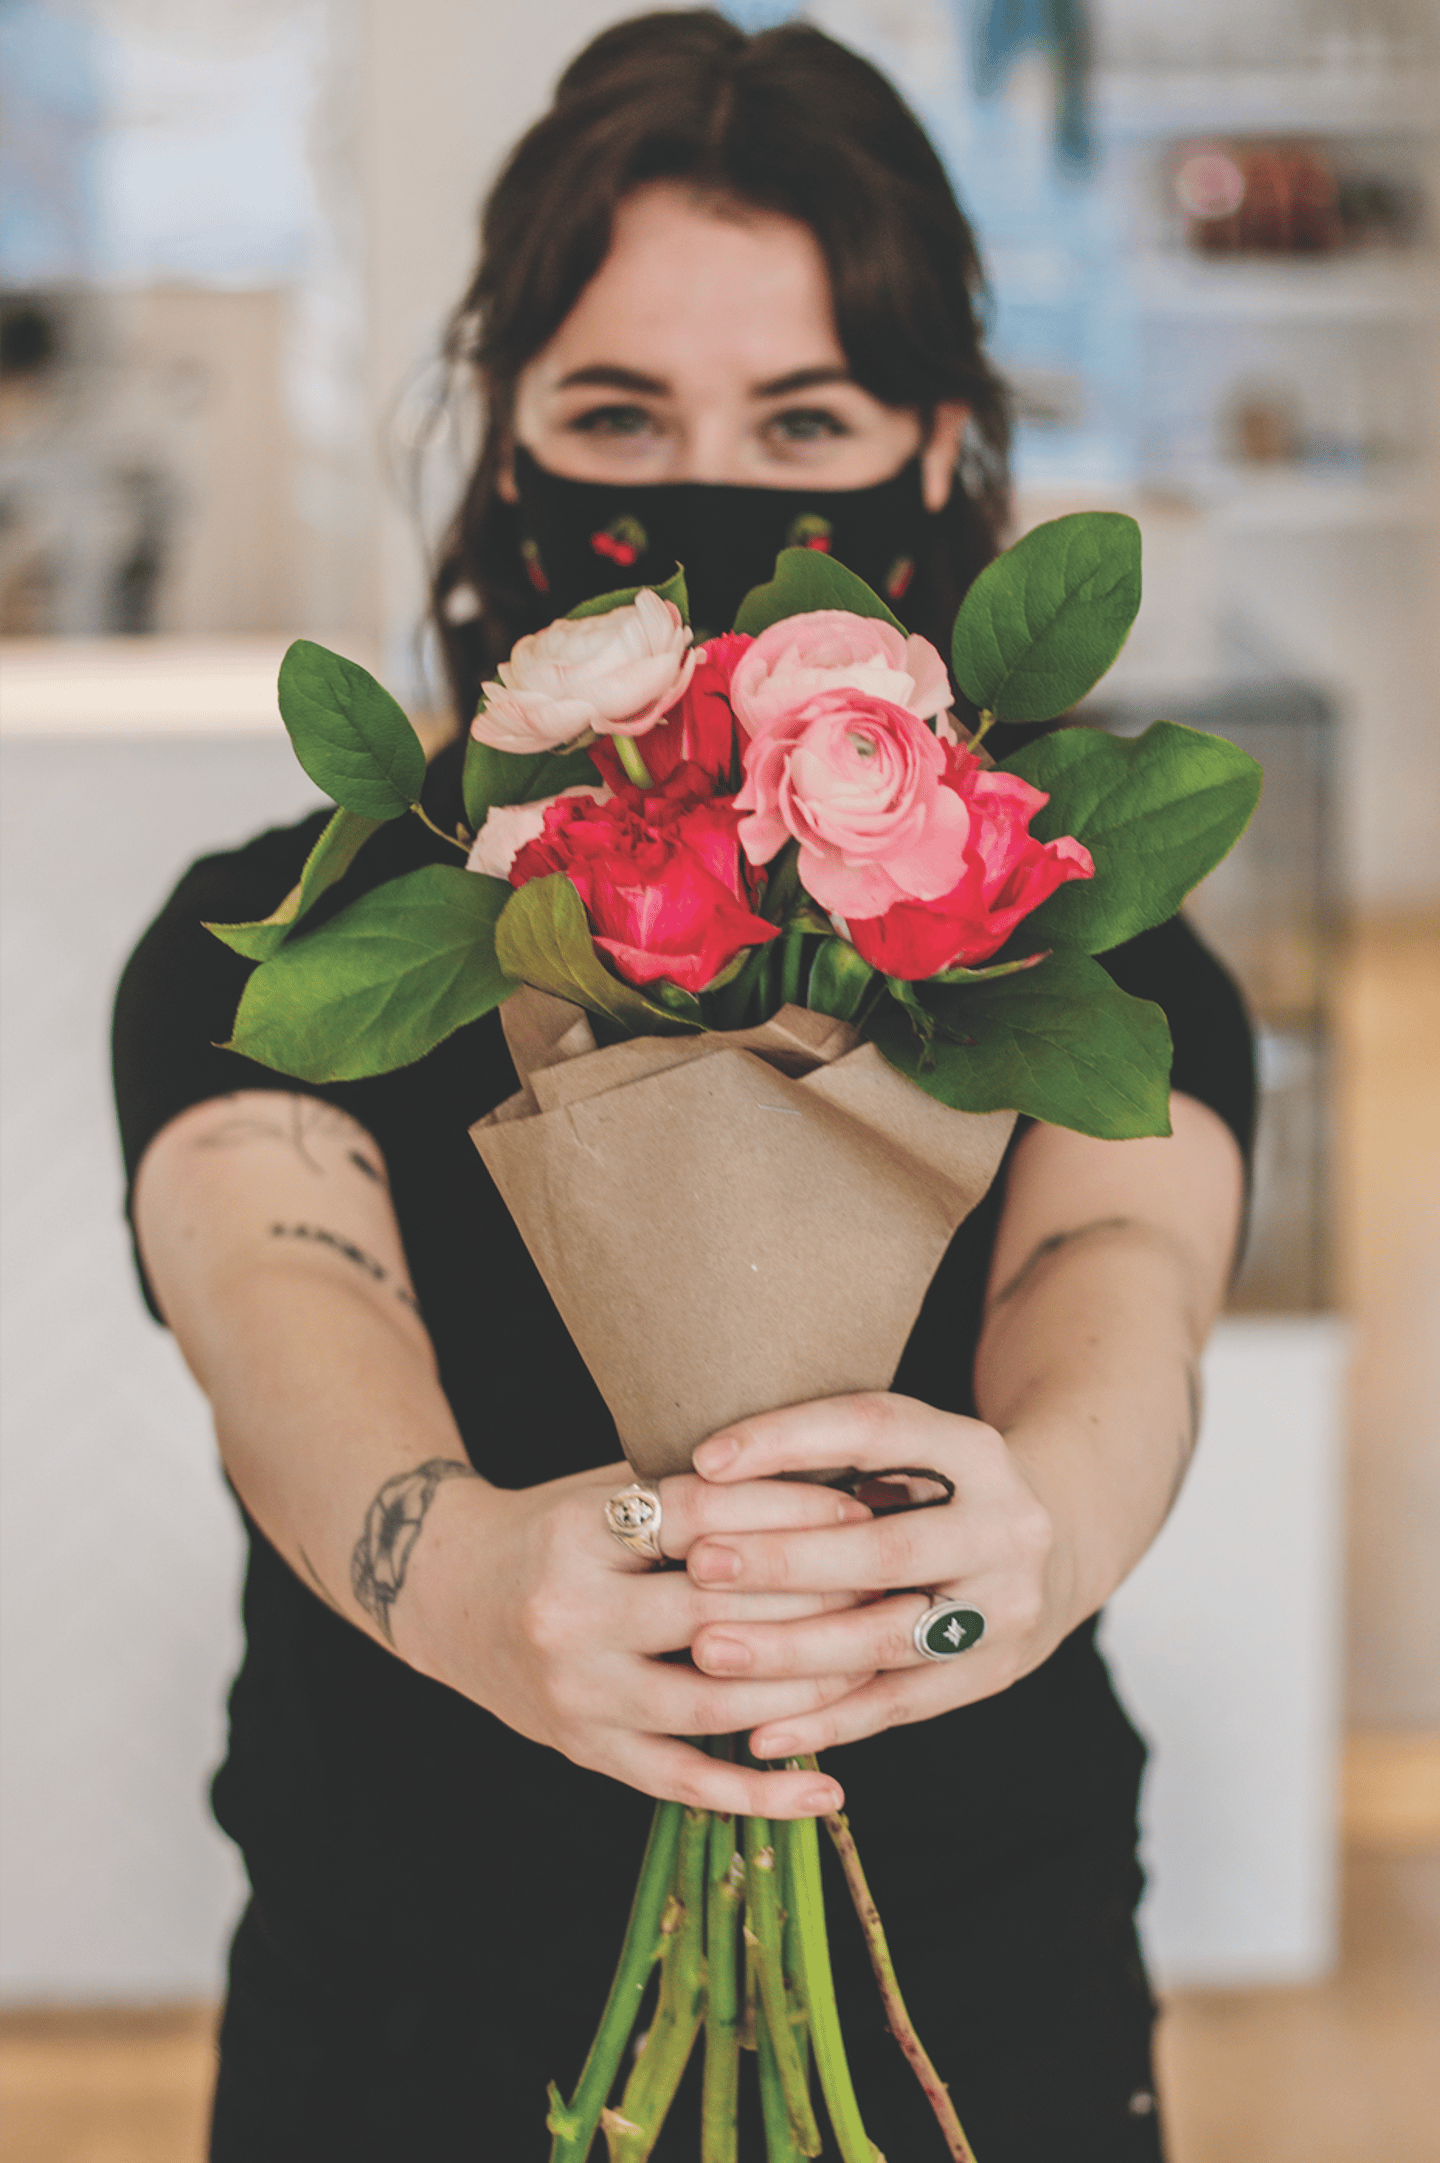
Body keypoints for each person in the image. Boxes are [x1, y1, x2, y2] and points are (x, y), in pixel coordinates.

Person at [113, 15, 1253, 2161]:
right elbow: (277, 1289)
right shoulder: (276, 934)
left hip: (959, 1990)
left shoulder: (1082, 943)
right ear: (501, 435)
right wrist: (457, 1574)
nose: (702, 487)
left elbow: (1119, 1271)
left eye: (804, 415)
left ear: (935, 453)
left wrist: (1039, 1531)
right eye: (615, 409)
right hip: (408, 1988)